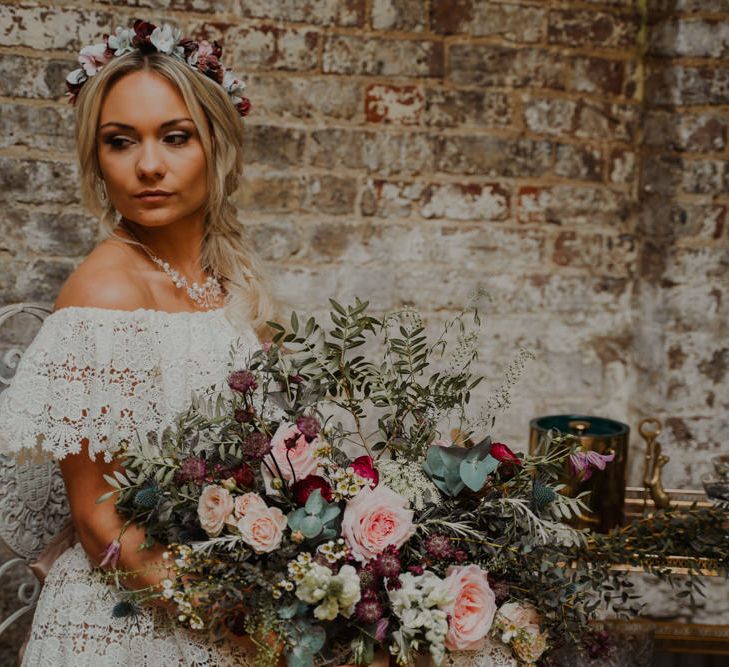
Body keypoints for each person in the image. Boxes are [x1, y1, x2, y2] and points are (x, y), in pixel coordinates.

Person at [0, 19, 285, 666]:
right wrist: (247, 624)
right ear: (97, 160)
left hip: (241, 587)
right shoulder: (104, 297)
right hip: (132, 616)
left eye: (175, 137)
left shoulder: (228, 285)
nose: (149, 165)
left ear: (215, 145)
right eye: (120, 142)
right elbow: (103, 524)